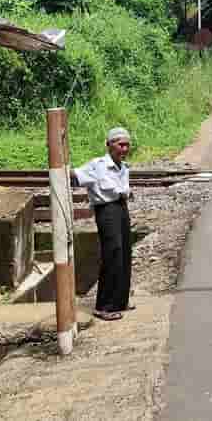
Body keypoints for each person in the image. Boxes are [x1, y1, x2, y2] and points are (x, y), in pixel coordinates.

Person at [73, 127, 134, 321]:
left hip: (121, 208)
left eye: (126, 145)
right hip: (106, 211)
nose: (124, 149)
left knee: (124, 252)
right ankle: (104, 306)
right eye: (120, 144)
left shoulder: (123, 167)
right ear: (109, 145)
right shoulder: (97, 165)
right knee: (112, 253)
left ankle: (120, 300)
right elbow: (75, 175)